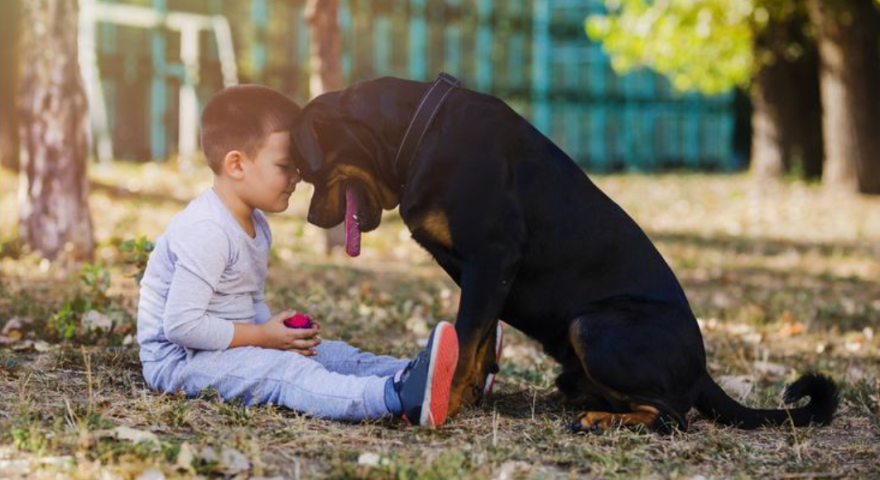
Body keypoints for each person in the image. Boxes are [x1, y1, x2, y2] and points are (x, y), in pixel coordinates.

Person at [136, 84, 466, 427]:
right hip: (181, 362)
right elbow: (182, 326)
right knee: (286, 371)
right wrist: (264, 338)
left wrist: (275, 333)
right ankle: (397, 396)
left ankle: (442, 377)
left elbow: (248, 298)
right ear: (236, 164)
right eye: (285, 165)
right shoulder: (207, 229)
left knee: (330, 354)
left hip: (223, 347)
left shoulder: (256, 224)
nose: (297, 177)